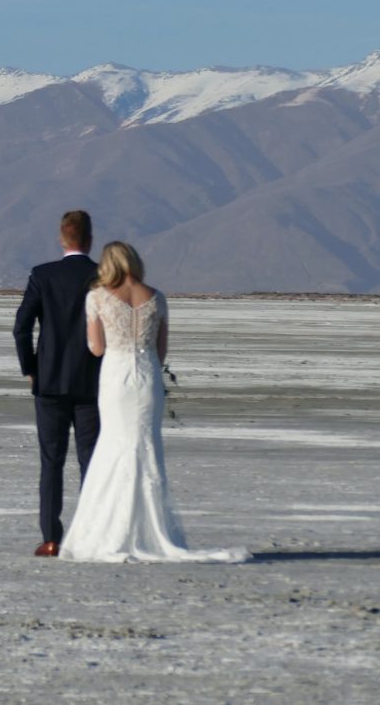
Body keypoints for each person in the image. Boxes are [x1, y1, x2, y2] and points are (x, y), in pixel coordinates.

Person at [59, 241, 250, 563]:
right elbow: (161, 351)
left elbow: (96, 348)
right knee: (145, 446)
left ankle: (108, 531)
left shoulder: (97, 297)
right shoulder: (156, 297)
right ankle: (149, 530)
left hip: (116, 378)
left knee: (115, 445)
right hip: (147, 378)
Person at [13, 210, 101, 557]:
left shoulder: (42, 275)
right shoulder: (101, 277)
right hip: (92, 382)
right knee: (90, 460)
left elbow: (21, 327)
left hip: (48, 383)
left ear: (62, 239)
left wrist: (31, 367)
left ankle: (51, 538)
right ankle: (91, 534)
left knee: (51, 461)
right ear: (89, 239)